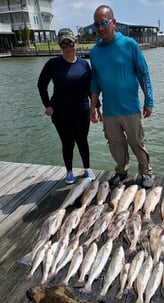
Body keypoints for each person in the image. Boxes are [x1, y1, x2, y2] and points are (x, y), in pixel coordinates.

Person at [89, 5, 154, 189]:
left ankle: (146, 171)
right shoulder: (94, 52)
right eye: (97, 24)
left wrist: (149, 100)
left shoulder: (129, 44)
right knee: (115, 144)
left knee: (136, 142)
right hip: (109, 110)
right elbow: (95, 82)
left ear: (113, 22)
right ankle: (121, 171)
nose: (100, 28)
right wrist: (93, 107)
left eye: (103, 23)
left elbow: (144, 73)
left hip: (130, 108)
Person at [37, 28, 101, 184]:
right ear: (60, 46)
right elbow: (41, 85)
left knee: (82, 141)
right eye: (63, 45)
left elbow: (90, 88)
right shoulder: (52, 64)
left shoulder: (84, 65)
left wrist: (97, 106)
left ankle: (87, 169)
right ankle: (69, 172)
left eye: (70, 43)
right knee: (67, 143)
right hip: (60, 114)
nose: (67, 48)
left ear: (76, 43)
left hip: (82, 111)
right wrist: (47, 105)